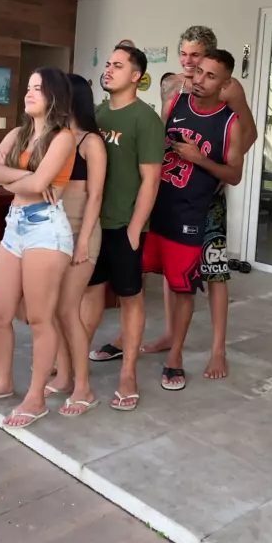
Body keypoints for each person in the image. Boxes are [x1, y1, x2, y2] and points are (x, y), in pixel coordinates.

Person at [92, 26, 257, 378]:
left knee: (211, 274)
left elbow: (246, 139)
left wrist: (210, 165)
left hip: (204, 201)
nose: (189, 63)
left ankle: (216, 350)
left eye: (196, 56)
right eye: (184, 55)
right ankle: (150, 336)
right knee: (152, 271)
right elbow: (160, 141)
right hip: (165, 195)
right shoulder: (175, 89)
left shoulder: (230, 93)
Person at [0, 68, 76, 429]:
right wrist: (25, 178)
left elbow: (39, 182)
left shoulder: (63, 138)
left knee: (40, 317)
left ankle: (36, 397)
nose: (29, 93)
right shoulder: (18, 134)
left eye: (38, 88)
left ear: (54, 96)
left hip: (46, 230)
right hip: (15, 226)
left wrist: (15, 179)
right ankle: (3, 381)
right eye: (28, 87)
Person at [143, 49, 243, 390]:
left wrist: (200, 159)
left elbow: (234, 175)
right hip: (160, 206)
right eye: (198, 71)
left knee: (196, 282)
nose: (199, 79)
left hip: (197, 213)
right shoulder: (176, 103)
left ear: (225, 84)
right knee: (153, 279)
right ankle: (160, 337)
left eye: (210, 76)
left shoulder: (230, 122)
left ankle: (199, 354)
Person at [80, 44, 165, 410]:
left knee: (130, 296)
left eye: (118, 65)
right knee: (91, 293)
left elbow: (151, 180)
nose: (109, 70)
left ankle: (128, 373)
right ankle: (74, 362)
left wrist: (134, 229)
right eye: (108, 64)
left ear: (136, 76)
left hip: (124, 225)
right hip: (93, 223)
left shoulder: (145, 119)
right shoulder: (98, 114)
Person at [46, 74, 106, 416]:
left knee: (68, 310)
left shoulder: (90, 142)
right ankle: (65, 375)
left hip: (82, 233)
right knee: (54, 309)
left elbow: (95, 195)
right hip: (53, 234)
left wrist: (83, 242)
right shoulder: (57, 137)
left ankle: (84, 387)